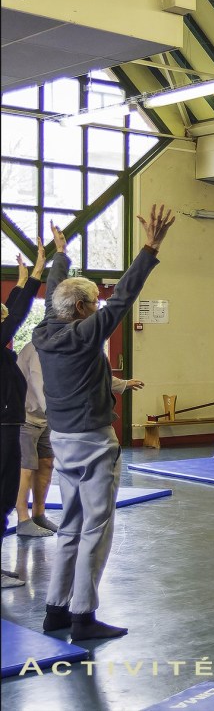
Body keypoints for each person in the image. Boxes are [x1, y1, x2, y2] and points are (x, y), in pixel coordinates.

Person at [35, 209, 174, 640]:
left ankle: (56, 610)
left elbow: (52, 294)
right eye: (93, 302)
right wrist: (150, 248)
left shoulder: (44, 331)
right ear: (81, 308)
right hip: (94, 442)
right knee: (96, 527)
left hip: (62, 440)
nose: (98, 306)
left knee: (71, 524)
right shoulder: (83, 335)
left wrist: (61, 256)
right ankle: (83, 616)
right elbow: (123, 298)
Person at [17, 340, 144, 538]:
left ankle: (38, 514)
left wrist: (123, 384)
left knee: (46, 463)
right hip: (23, 415)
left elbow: (92, 375)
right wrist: (61, 418)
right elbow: (40, 384)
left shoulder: (71, 346)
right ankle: (23, 520)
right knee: (25, 467)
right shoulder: (38, 350)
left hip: (46, 417)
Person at [1, 243, 45, 588]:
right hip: (4, 427)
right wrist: (35, 276)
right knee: (2, 495)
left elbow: (12, 312)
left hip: (9, 425)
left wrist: (21, 281)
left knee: (4, 496)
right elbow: (15, 315)